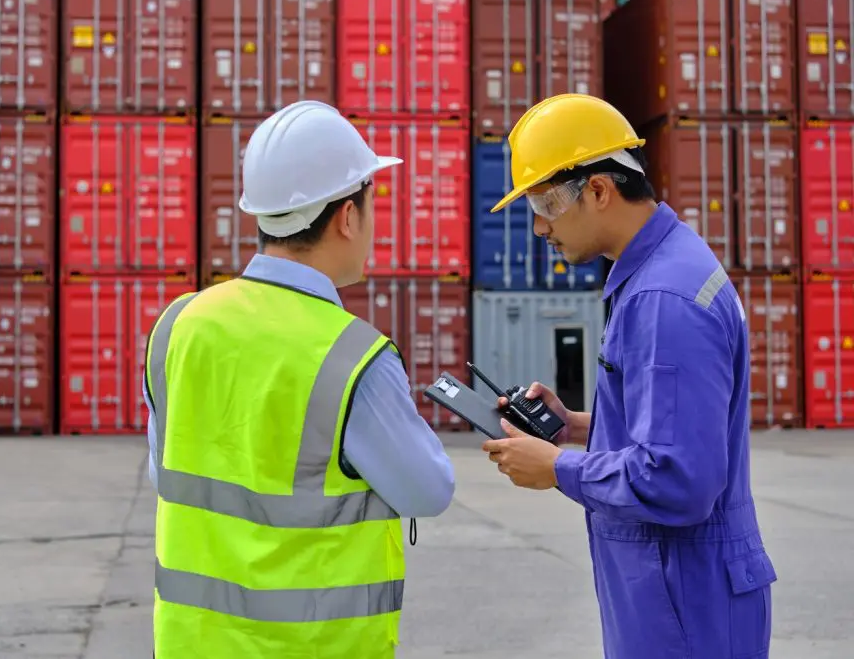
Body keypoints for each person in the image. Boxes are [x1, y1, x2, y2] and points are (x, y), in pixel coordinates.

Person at [142, 100, 455, 658]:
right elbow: (429, 490)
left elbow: (166, 471)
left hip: (193, 644)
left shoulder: (178, 326)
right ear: (347, 216)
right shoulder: (355, 357)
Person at [480, 94, 776, 659]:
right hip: (678, 597)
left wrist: (558, 469)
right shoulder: (662, 270)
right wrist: (576, 427)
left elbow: (680, 479)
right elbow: (673, 427)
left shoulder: (665, 299)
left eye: (543, 204)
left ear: (597, 190)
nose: (539, 228)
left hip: (687, 607)